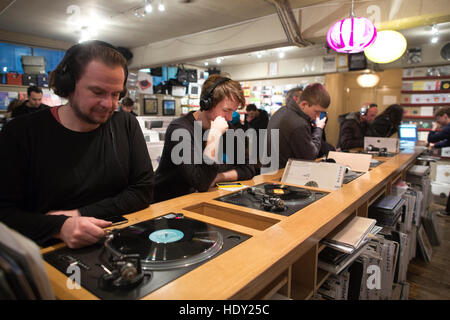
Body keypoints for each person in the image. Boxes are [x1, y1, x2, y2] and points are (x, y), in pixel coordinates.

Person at [0, 40, 154, 249]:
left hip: (117, 243)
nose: (108, 104)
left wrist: (80, 214)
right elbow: (5, 212)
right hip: (48, 250)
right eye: (98, 92)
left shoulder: (126, 124)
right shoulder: (21, 132)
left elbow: (142, 190)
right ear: (68, 86)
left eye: (115, 94)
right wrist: (59, 227)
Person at [154, 74, 256, 202]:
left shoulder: (227, 127)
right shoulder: (180, 129)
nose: (230, 118)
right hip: (168, 203)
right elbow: (201, 182)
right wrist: (214, 136)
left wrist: (218, 177)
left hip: (198, 200)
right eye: (226, 110)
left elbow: (248, 168)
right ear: (207, 104)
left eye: (233, 111)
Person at [266, 83, 330, 169]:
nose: (318, 116)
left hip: (271, 171)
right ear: (304, 104)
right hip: (281, 175)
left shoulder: (282, 111)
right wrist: (318, 128)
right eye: (316, 111)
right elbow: (310, 157)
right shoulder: (299, 124)